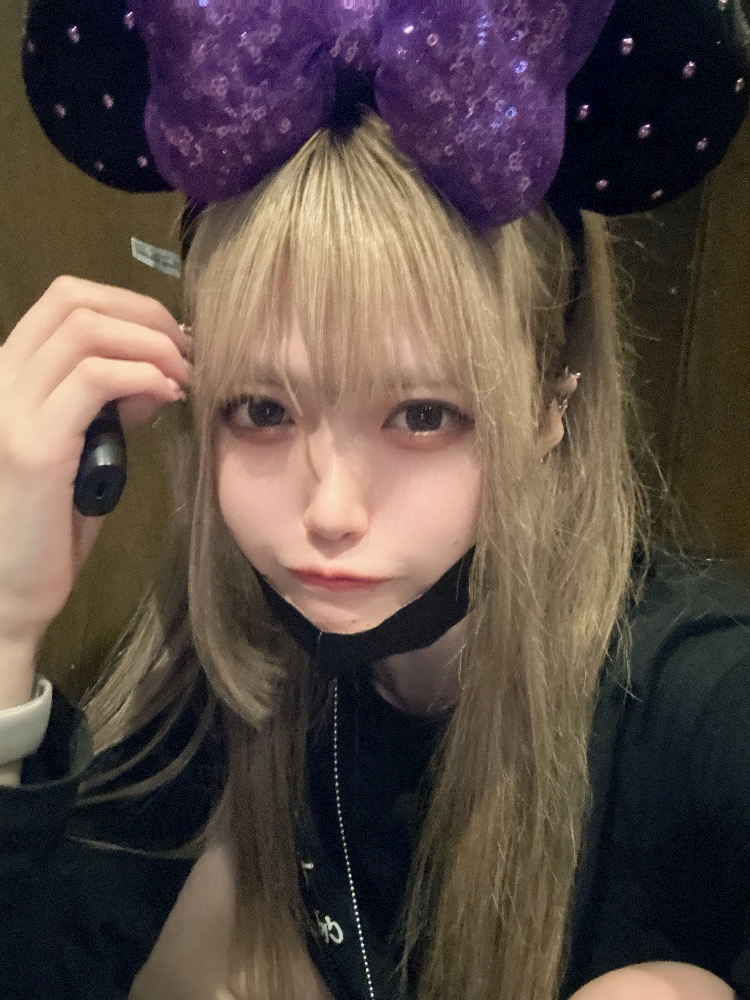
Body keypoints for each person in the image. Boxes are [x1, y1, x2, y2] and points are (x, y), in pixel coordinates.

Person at [3, 4, 750, 1000]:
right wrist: (5, 623)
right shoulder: (231, 666)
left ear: (549, 405)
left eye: (423, 415)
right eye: (263, 408)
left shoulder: (702, 703)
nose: (330, 510)